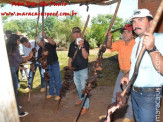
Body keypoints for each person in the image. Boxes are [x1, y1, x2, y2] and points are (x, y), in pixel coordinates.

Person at [121, 9, 163, 122]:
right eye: (134, 22)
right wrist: (127, 75)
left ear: (151, 22)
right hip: (134, 93)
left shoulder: (160, 39)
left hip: (150, 96)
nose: (136, 24)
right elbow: (135, 67)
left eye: (140, 20)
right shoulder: (136, 43)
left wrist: (152, 49)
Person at [105, 24, 135, 122]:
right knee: (116, 94)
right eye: (124, 32)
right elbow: (109, 46)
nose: (125, 34)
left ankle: (129, 117)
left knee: (128, 96)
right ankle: (110, 114)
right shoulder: (120, 43)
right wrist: (109, 37)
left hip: (132, 73)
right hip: (122, 73)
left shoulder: (136, 44)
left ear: (133, 34)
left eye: (128, 32)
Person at [6, 34, 33, 117]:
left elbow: (12, 61)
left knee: (13, 91)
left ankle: (15, 106)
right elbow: (19, 59)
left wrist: (21, 68)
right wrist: (29, 57)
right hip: (12, 71)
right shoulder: (15, 49)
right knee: (15, 91)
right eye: (18, 40)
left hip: (11, 69)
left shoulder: (9, 48)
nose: (19, 42)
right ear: (15, 41)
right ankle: (18, 112)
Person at [68, 27, 90, 115]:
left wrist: (82, 46)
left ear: (80, 33)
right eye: (74, 33)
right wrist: (69, 68)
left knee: (84, 88)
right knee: (78, 87)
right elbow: (70, 57)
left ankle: (86, 106)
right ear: (72, 35)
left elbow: (85, 56)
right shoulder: (71, 45)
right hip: (74, 70)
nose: (76, 34)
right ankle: (81, 99)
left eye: (78, 32)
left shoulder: (85, 43)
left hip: (83, 69)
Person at [38, 32, 62, 100]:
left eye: (40, 42)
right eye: (38, 43)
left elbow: (53, 43)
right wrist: (43, 56)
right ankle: (52, 93)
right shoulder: (40, 50)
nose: (40, 44)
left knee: (57, 80)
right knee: (50, 80)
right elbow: (39, 59)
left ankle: (59, 94)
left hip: (55, 64)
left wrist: (46, 36)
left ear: (43, 41)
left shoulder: (50, 45)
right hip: (47, 66)